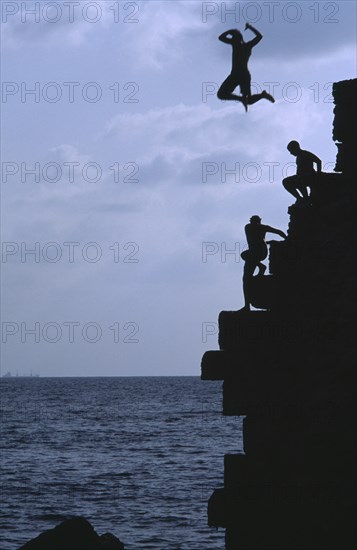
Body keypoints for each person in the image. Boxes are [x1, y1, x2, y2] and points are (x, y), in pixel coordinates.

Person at [217, 23, 275, 111]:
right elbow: (259, 36)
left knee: (221, 94)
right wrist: (250, 27)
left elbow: (221, 37)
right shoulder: (248, 45)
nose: (232, 39)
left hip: (236, 75)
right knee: (247, 100)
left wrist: (231, 31)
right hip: (242, 75)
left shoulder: (235, 44)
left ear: (235, 39)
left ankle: (259, 96)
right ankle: (260, 95)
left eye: (233, 38)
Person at [241, 216, 286, 310]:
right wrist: (287, 239)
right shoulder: (258, 227)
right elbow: (278, 232)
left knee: (246, 279)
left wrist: (287, 239)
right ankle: (261, 266)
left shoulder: (250, 227)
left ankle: (246, 306)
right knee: (244, 256)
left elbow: (277, 232)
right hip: (260, 252)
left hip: (257, 253)